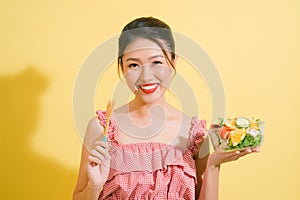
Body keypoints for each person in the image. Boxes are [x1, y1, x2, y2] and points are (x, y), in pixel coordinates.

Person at [73, 17, 260, 200]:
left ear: (174, 61)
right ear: (121, 66)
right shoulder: (101, 128)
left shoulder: (194, 134)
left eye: (156, 62)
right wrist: (95, 186)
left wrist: (213, 164)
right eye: (134, 65)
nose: (146, 76)